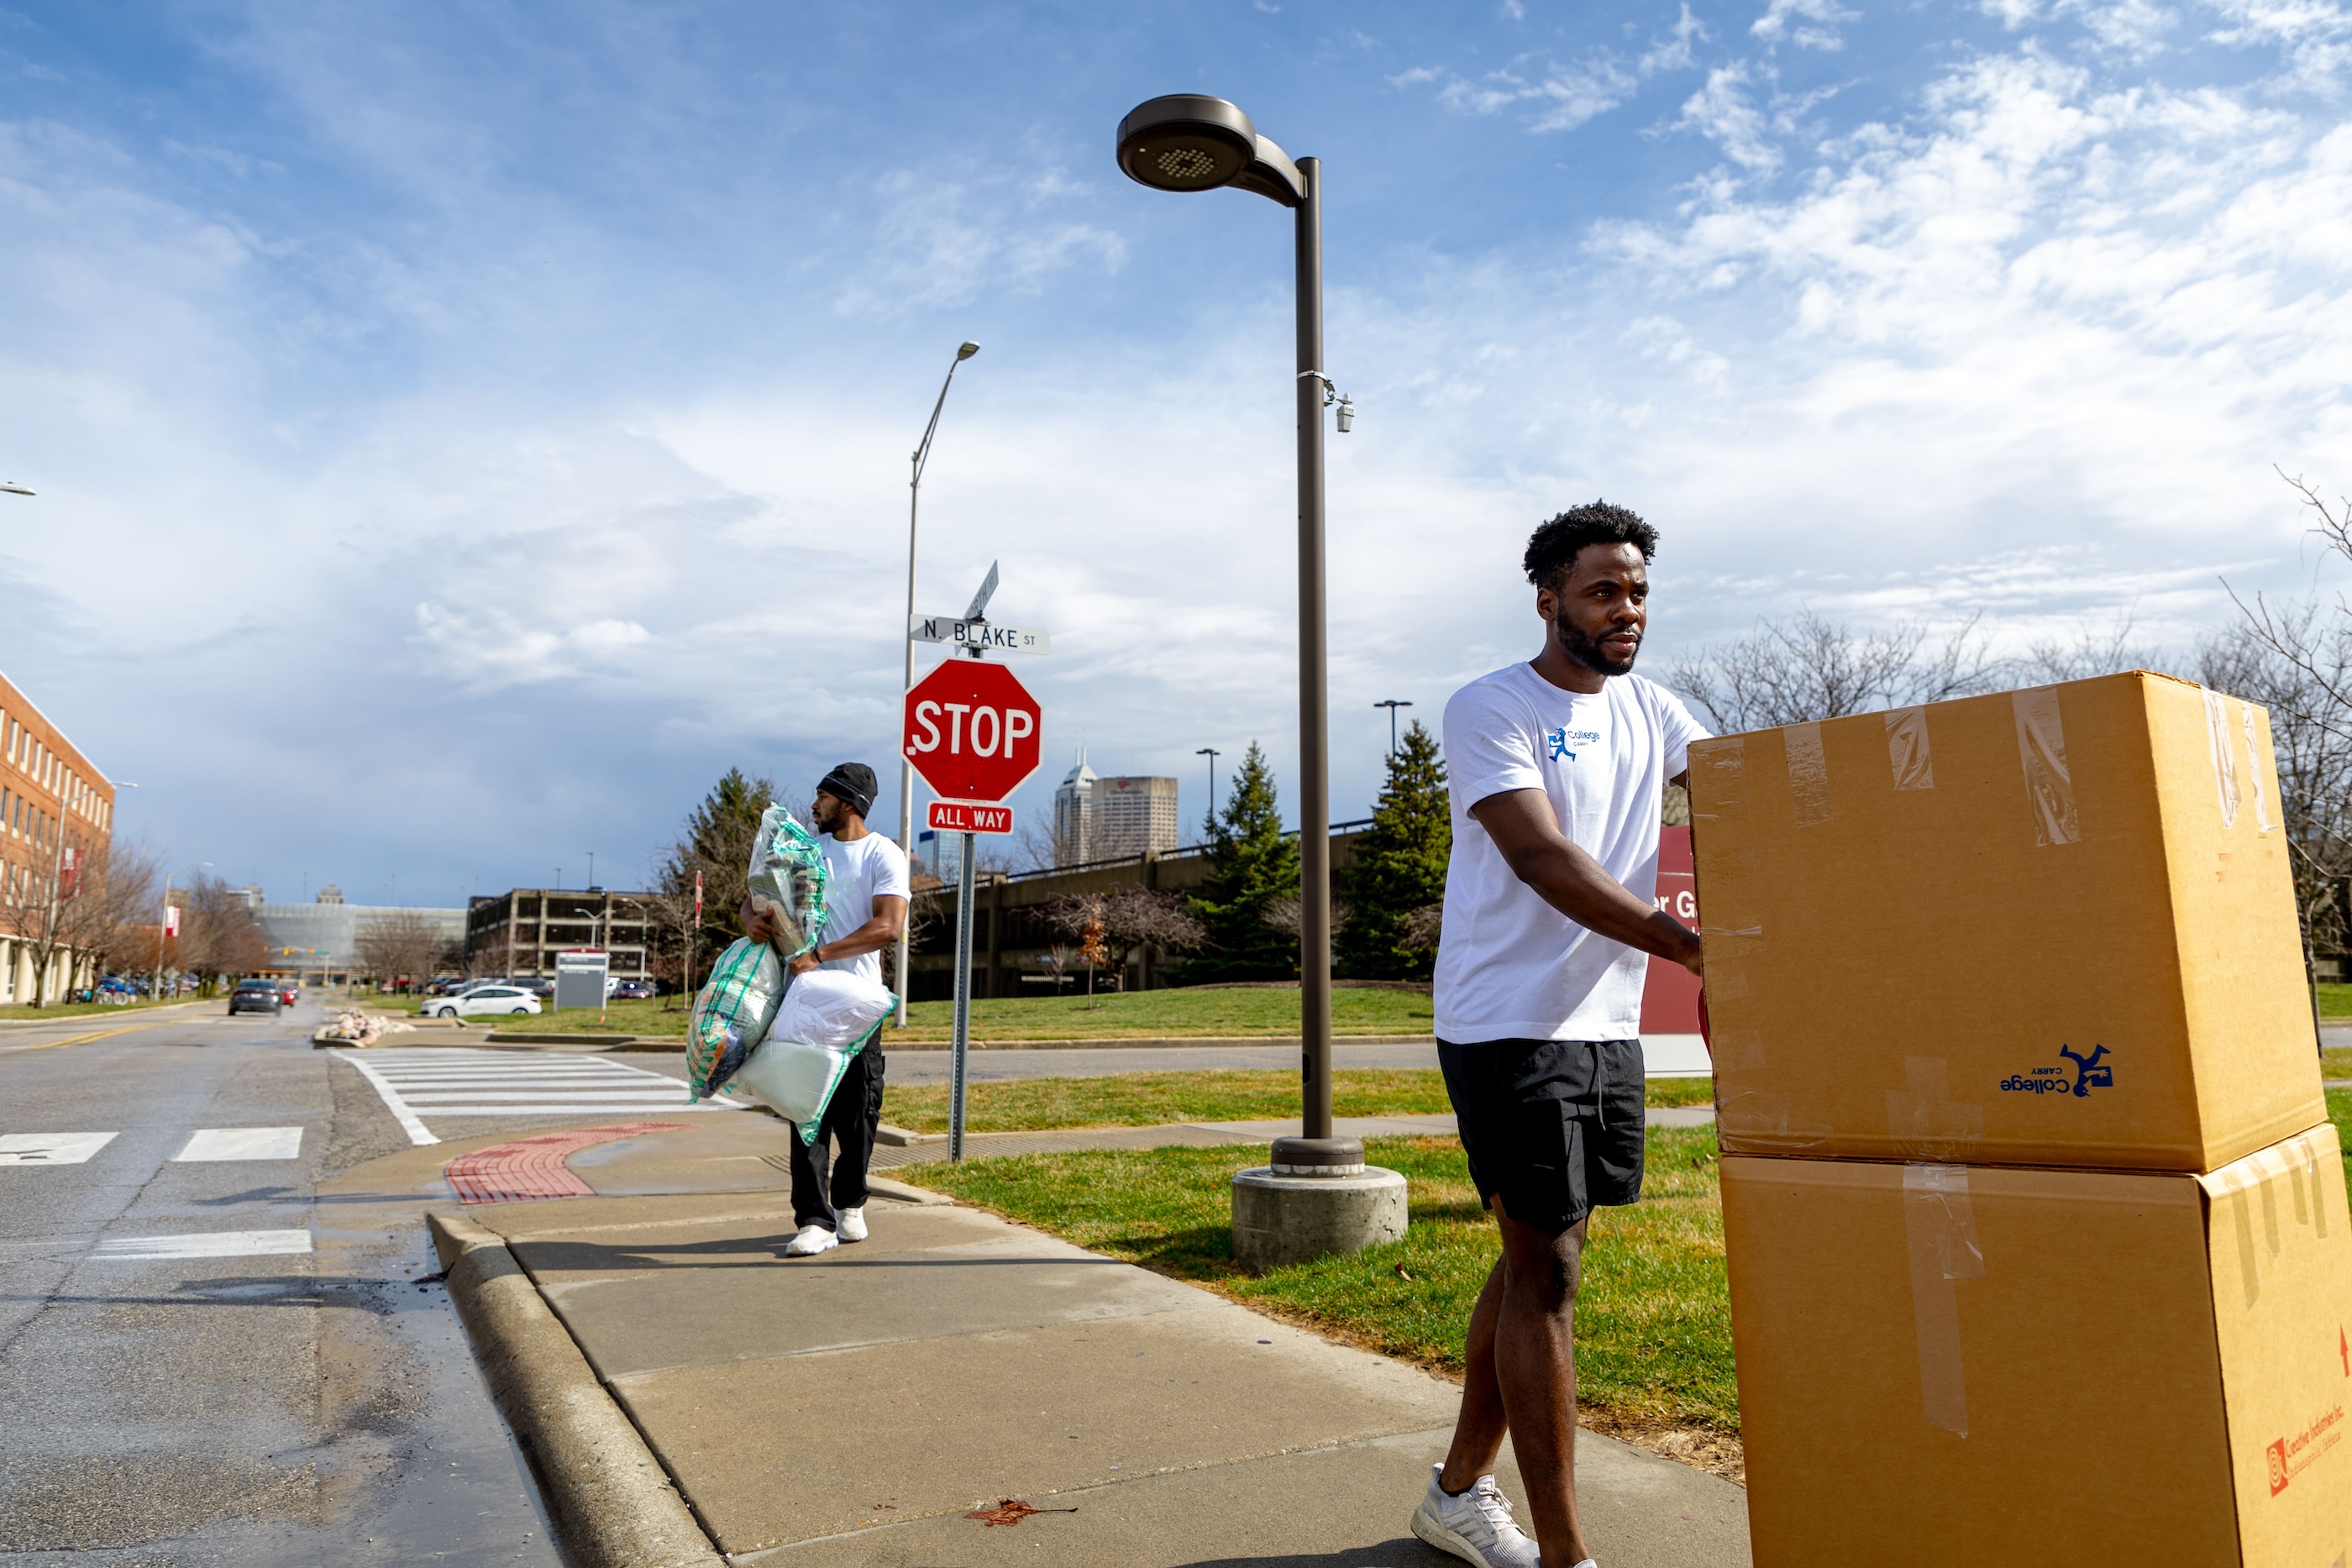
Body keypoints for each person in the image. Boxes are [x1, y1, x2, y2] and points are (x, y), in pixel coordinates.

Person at [1410, 503, 1708, 1568]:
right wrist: (1682, 945)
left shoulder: (1660, 711)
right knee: (1549, 1269)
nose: (1624, 610)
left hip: (1604, 1017)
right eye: (1601, 591)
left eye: (1635, 591)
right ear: (1548, 599)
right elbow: (1541, 856)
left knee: (1541, 1248)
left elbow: (1741, 804)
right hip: (1506, 1018)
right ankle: (1567, 1554)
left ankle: (1453, 1491)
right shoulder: (1491, 706)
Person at [742, 763, 910, 1258]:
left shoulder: (884, 854)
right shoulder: (808, 852)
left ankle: (850, 1202)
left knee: (858, 1112)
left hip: (857, 1003)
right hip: (805, 999)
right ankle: (814, 1219)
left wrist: (820, 954)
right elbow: (755, 898)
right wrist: (753, 920)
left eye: (822, 797)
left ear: (849, 803)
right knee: (803, 1107)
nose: (813, 805)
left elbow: (889, 926)